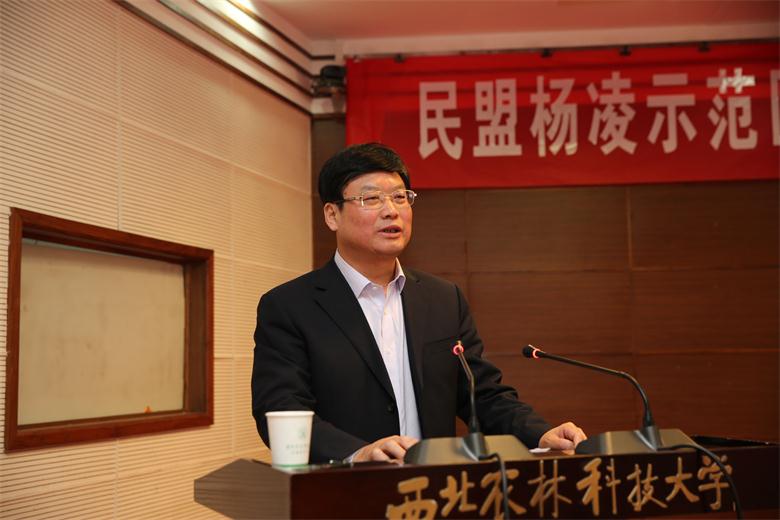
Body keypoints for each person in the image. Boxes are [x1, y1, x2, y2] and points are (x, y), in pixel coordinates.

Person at [252, 142, 586, 464]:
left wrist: (540, 434)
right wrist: (358, 453)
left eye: (400, 197)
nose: (391, 211)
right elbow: (280, 410)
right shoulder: (290, 307)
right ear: (332, 215)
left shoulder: (443, 299)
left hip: (432, 489)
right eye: (371, 198)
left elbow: (481, 394)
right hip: (343, 489)